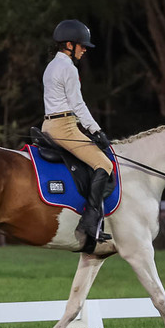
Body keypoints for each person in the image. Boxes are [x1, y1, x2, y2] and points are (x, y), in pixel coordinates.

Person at [42, 19, 113, 242]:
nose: (84, 50)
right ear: (70, 45)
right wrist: (97, 130)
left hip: (49, 124)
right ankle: (89, 224)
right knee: (105, 164)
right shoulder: (68, 68)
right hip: (64, 126)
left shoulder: (52, 65)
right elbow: (77, 104)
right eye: (82, 45)